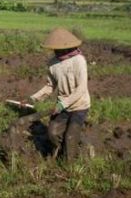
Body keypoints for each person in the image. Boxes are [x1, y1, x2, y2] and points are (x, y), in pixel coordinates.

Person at [23, 28, 90, 162]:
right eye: (54, 49)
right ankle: (62, 152)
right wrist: (32, 98)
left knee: (70, 136)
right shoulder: (52, 64)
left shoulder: (79, 61)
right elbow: (50, 86)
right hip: (62, 106)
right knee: (52, 133)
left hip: (79, 106)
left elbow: (81, 88)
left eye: (58, 49)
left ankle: (70, 164)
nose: (56, 51)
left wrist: (62, 104)